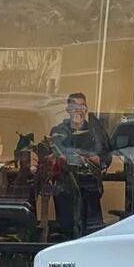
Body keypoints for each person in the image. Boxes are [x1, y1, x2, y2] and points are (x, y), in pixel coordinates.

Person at [48, 92, 112, 238]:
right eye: (75, 106)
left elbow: (106, 155)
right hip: (66, 187)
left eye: (82, 106)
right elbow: (60, 152)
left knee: (92, 231)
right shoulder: (59, 131)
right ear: (68, 109)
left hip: (90, 187)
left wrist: (99, 159)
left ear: (86, 109)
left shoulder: (96, 132)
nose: (79, 110)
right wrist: (84, 155)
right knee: (67, 230)